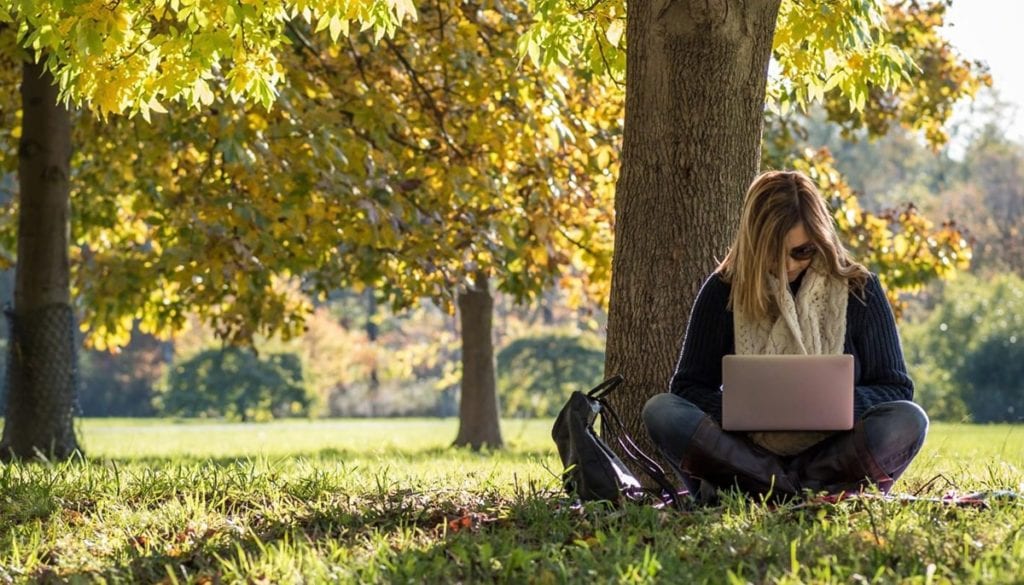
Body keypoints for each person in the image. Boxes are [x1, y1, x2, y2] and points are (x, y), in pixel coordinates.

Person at [643, 170, 929, 501]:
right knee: (662, 411)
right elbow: (687, 388)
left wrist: (838, 405)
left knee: (909, 420)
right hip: (744, 451)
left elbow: (896, 388)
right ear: (753, 242)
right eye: (773, 252)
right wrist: (740, 409)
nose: (788, 265)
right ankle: (807, 492)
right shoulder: (722, 290)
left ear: (819, 239)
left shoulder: (860, 289)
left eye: (801, 251)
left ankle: (765, 490)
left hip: (833, 451)